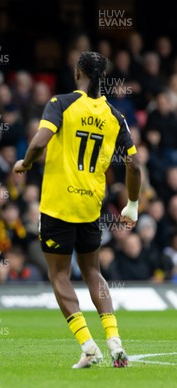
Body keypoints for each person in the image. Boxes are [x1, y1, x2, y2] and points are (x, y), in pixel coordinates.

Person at [13, 51, 141, 368]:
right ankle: (115, 341)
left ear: (77, 72)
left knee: (59, 274)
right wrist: (133, 204)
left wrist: (25, 163)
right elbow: (134, 164)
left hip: (58, 205)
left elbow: (40, 142)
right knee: (93, 271)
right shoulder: (115, 115)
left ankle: (87, 345)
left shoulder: (61, 103)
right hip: (90, 206)